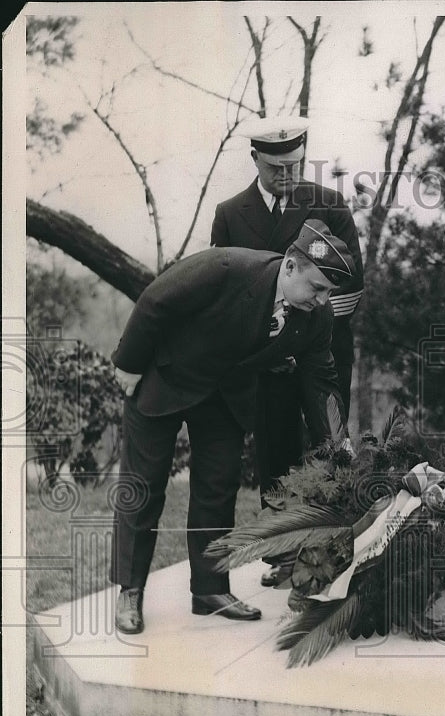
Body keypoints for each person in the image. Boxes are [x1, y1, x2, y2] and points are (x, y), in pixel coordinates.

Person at [110, 220, 354, 634]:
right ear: (290, 267)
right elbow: (155, 300)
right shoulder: (227, 266)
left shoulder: (316, 316)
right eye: (317, 288)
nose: (323, 299)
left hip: (224, 397)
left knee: (216, 489)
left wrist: (337, 444)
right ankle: (129, 592)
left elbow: (322, 382)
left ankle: (210, 590)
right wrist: (129, 364)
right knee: (144, 486)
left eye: (329, 291)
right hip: (165, 375)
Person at [211, 116, 364, 585]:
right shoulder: (230, 213)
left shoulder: (330, 205)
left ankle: (329, 546)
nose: (288, 175)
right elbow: (227, 288)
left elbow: (349, 288)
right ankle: (280, 554)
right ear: (255, 159)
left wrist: (303, 331)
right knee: (275, 452)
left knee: (328, 443)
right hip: (266, 362)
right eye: (277, 168)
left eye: (295, 165)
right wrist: (270, 339)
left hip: (324, 354)